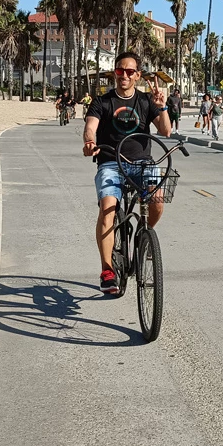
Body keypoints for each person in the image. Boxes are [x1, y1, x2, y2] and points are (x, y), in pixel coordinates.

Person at [82, 52, 171, 294]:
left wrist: (162, 107)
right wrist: (90, 142)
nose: (124, 75)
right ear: (115, 73)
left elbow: (166, 131)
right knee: (108, 209)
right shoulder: (103, 101)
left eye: (130, 71)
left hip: (143, 163)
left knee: (158, 200)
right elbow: (90, 127)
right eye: (120, 70)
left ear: (137, 75)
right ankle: (107, 270)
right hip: (111, 162)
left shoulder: (145, 101)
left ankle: (143, 238)